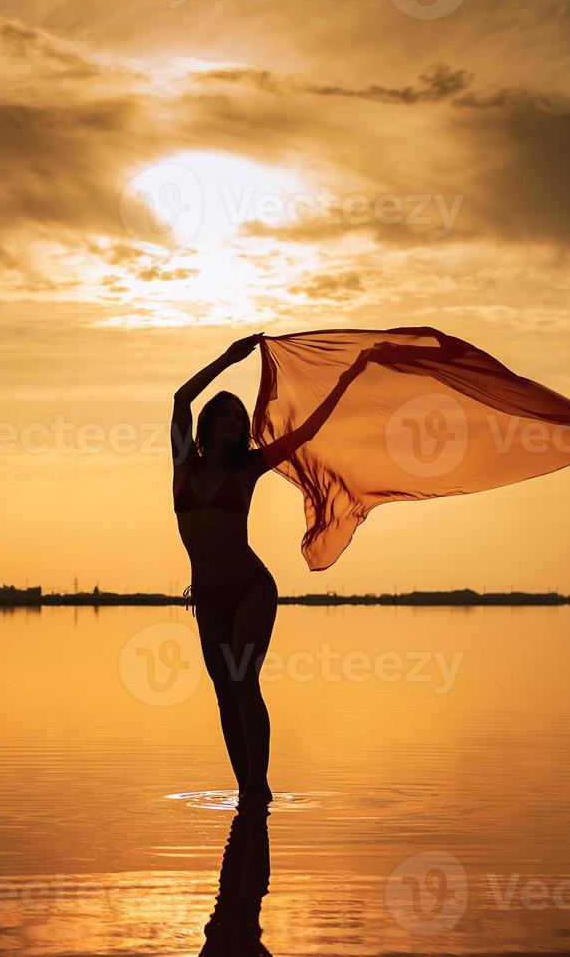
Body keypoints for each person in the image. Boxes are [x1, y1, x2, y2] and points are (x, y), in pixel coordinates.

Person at [172, 334, 373, 808]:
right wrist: (228, 357)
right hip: (207, 596)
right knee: (223, 692)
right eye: (223, 416)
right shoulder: (184, 463)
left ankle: (258, 788)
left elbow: (304, 433)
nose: (232, 422)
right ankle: (246, 791)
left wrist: (347, 381)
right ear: (208, 425)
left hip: (250, 589)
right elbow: (182, 397)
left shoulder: (249, 469)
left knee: (243, 682)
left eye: (238, 418)